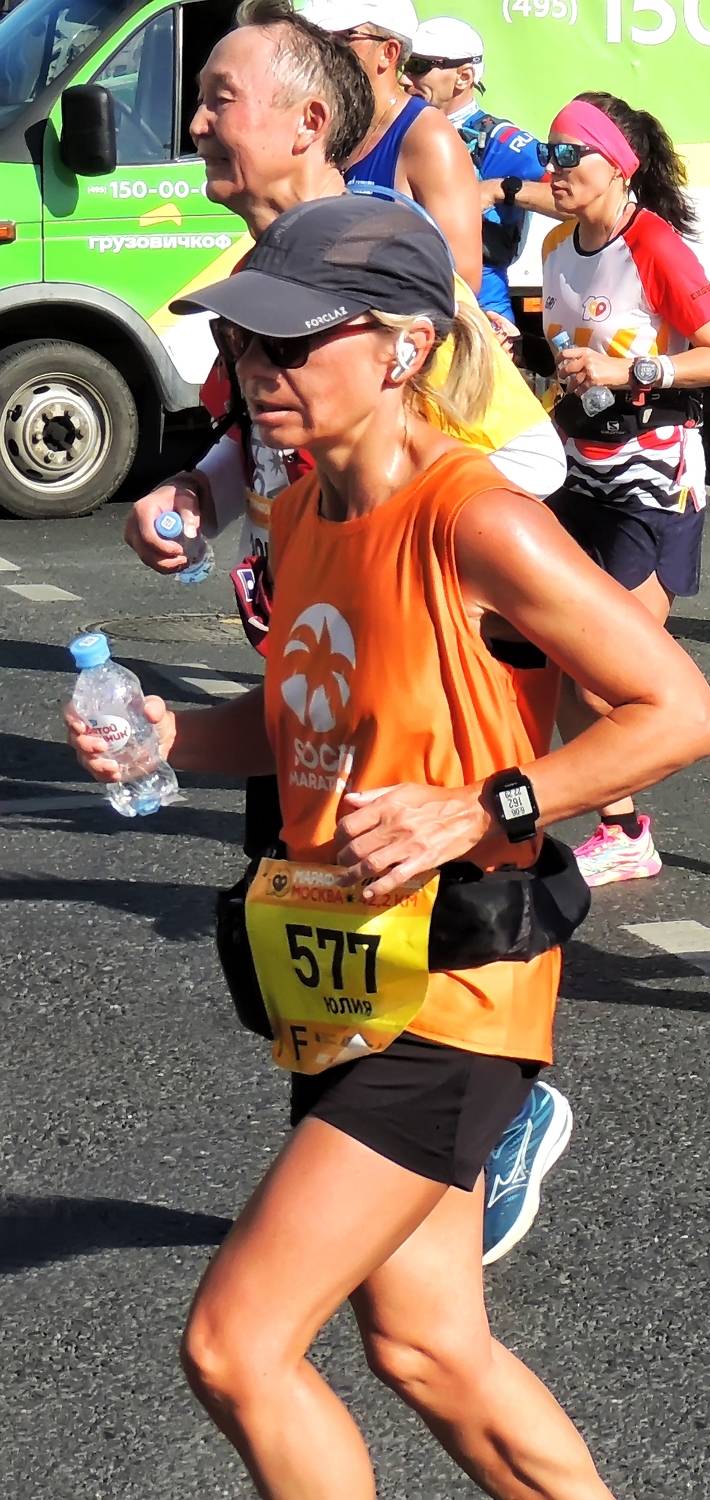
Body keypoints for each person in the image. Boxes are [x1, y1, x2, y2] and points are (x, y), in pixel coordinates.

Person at [67, 191, 710, 1500]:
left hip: (454, 986)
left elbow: (677, 711)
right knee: (427, 1348)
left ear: (404, 347)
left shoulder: (476, 518)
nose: (257, 369)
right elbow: (298, 717)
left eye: (292, 342)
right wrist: (170, 737)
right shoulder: (308, 516)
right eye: (244, 343)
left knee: (237, 1347)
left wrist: (486, 807)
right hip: (348, 979)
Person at [125, 0, 569, 1268]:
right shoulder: (255, 269)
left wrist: (409, 553)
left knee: (245, 1339)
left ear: (308, 120)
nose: (193, 121)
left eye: (217, 97)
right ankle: (369, 1183)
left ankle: (485, 1120)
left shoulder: (384, 269)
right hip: (312, 662)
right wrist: (205, 492)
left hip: (415, 695)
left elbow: (523, 460)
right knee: (309, 933)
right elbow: (256, 436)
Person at [539, 92, 710, 885]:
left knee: (611, 669)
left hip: (652, 479)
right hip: (575, 472)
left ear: (618, 165)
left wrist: (629, 369)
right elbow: (574, 358)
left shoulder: (653, 244)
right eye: (547, 153)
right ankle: (622, 831)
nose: (552, 169)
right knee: (562, 660)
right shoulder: (554, 244)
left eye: (567, 154)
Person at [303, 0, 483, 293]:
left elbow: (461, 280)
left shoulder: (427, 135)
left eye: (345, 36)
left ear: (388, 52)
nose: (324, 49)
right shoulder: (327, 128)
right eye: (320, 36)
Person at [404, 14, 561, 319]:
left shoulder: (498, 141)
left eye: (419, 66)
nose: (405, 78)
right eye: (405, 64)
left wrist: (500, 189)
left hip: (479, 312)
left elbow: (579, 201)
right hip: (407, 300)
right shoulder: (395, 129)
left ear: (463, 77)